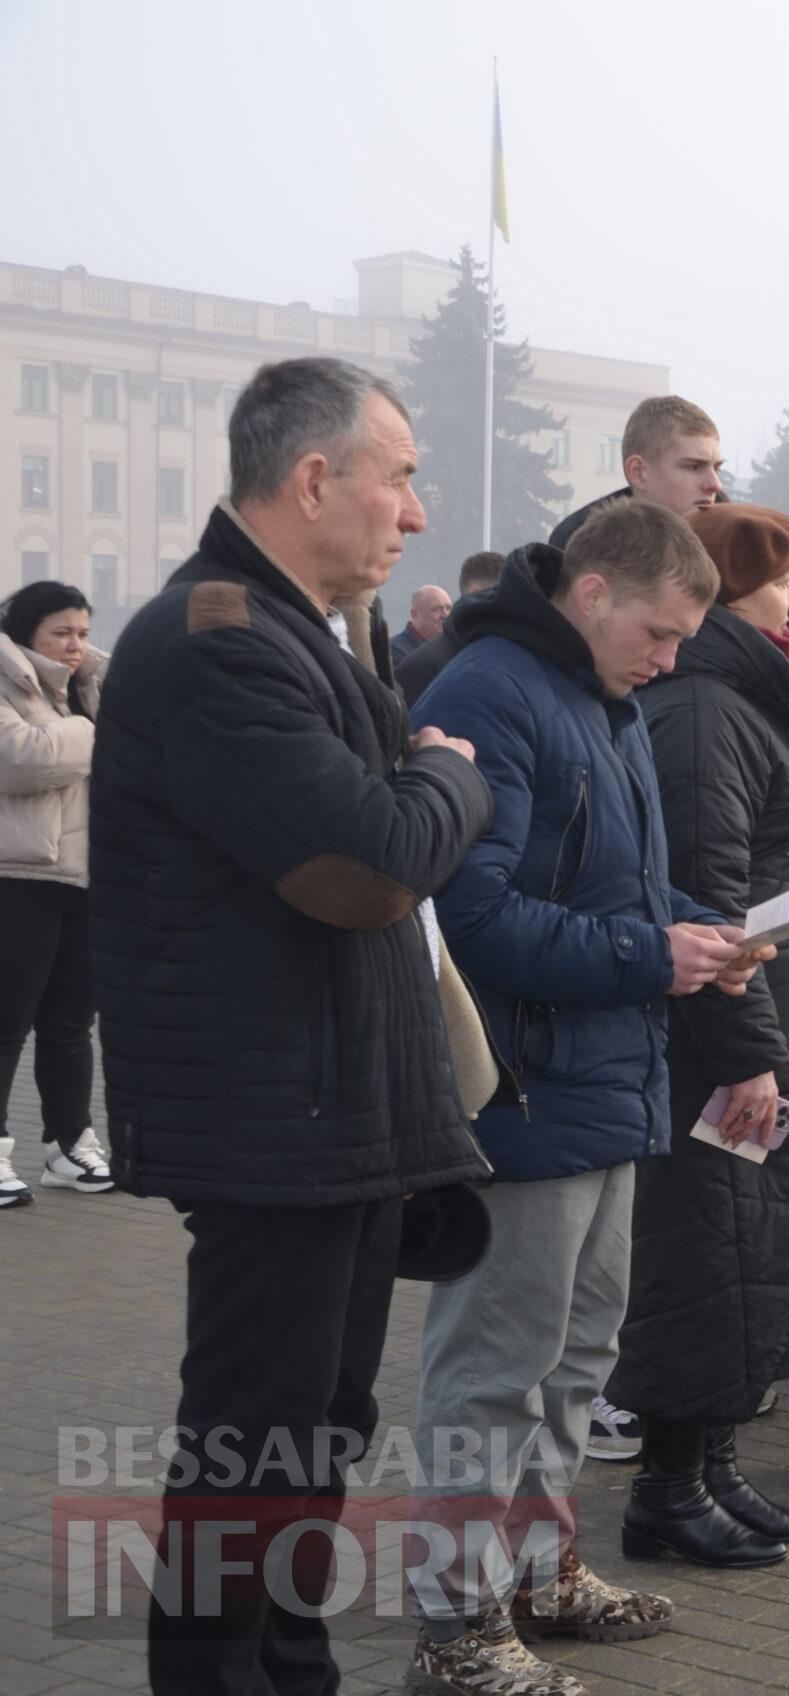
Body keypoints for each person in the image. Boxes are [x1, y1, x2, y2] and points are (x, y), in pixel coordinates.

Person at [89, 357, 494, 1695]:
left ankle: (291, 1672)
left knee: (313, 1435)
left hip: (331, 1108)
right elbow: (370, 862)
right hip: (273, 1117)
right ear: (314, 480)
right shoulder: (218, 643)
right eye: (401, 477)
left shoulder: (298, 634)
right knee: (250, 1450)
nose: (415, 514)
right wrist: (446, 777)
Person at [407, 500, 769, 1680]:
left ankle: (537, 1574)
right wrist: (652, 956)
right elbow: (471, 918)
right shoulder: (490, 692)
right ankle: (457, 1625)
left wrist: (693, 936)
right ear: (593, 590)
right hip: (522, 1094)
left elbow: (614, 893)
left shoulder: (604, 703)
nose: (669, 661)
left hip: (608, 1082)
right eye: (660, 634)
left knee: (572, 1363)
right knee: (495, 1370)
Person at [607, 503, 789, 1553]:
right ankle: (667, 1489)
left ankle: (716, 1465)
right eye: (779, 582)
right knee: (710, 1256)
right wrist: (749, 1057)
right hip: (738, 1050)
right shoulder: (704, 710)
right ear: (734, 593)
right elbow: (706, 892)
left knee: (753, 1262)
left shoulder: (750, 697)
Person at [0, 581, 110, 1205]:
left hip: (84, 875)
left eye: (83, 633)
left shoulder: (87, 688)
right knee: (6, 1023)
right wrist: (94, 732)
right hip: (18, 877)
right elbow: (21, 758)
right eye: (61, 633)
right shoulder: (8, 680)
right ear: (27, 633)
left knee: (71, 1022)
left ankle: (70, 1145)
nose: (74, 646)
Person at [550, 393, 726, 549]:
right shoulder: (572, 558)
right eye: (693, 466)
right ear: (638, 472)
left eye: (716, 468)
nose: (715, 485)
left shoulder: (739, 552)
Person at [397, 549, 505, 699]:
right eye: (436, 609)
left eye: (448, 608)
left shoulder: (509, 655)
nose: (444, 615)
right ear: (476, 593)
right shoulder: (418, 667)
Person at [393, 583, 452, 663]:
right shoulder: (396, 649)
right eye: (436, 609)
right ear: (415, 614)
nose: (446, 615)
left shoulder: (454, 646)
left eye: (448, 608)